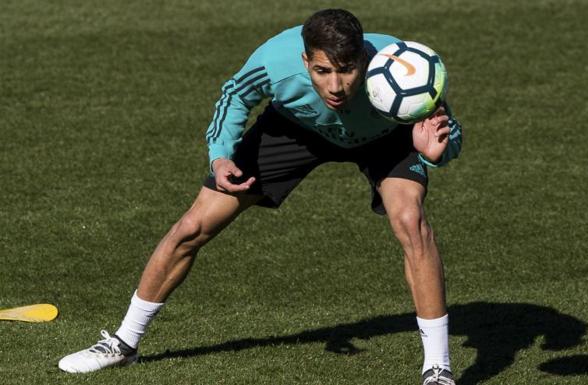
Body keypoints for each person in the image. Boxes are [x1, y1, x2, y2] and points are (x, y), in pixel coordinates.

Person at [58, 9, 462, 385]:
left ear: (364, 59)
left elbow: (448, 130)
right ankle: (123, 345)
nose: (335, 86)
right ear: (306, 62)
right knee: (193, 226)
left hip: (384, 137)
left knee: (411, 221)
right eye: (322, 71)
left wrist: (438, 153)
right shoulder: (276, 60)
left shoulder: (403, 65)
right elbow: (235, 97)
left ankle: (438, 369)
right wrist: (219, 157)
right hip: (295, 129)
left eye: (347, 70)